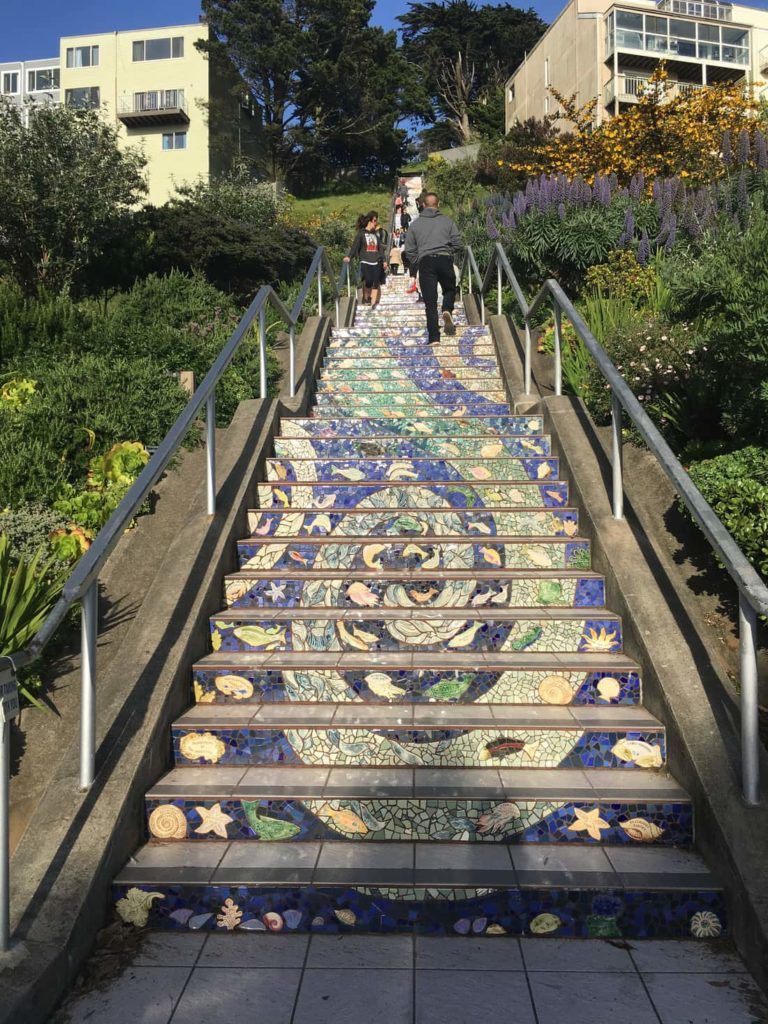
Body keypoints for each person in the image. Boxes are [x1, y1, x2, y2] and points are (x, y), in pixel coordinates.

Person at [403, 192, 462, 343]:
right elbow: (457, 242)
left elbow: (409, 249)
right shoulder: (448, 221)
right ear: (438, 204)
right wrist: (449, 253)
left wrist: (417, 261)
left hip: (425, 261)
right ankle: (447, 309)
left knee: (430, 302)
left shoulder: (415, 225)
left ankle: (434, 337)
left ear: (423, 205)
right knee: (450, 288)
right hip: (444, 258)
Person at [344, 211, 388, 307]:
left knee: (376, 282)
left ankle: (373, 304)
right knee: (368, 280)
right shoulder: (361, 234)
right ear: (371, 221)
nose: (376, 224)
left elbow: (380, 249)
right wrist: (349, 256)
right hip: (365, 260)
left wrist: (384, 261)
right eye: (375, 221)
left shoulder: (376, 235)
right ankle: (367, 297)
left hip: (376, 261)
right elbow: (355, 246)